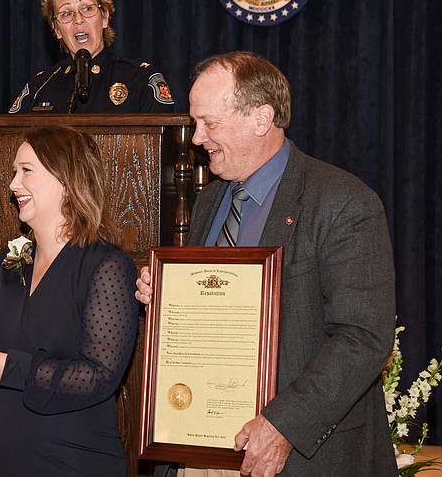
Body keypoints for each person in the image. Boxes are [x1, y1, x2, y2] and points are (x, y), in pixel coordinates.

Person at [135, 52, 396, 476]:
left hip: (295, 453)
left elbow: (363, 337)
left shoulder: (342, 202)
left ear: (261, 118)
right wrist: (165, 294)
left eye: (209, 123)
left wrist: (283, 424)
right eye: (195, 122)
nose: (196, 137)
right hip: (203, 447)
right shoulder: (210, 202)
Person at [0, 125, 139, 476]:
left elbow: (98, 377)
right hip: (3, 458)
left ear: (66, 179)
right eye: (14, 172)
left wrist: (7, 368)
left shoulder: (106, 265)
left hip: (73, 460)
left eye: (26, 171)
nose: (14, 184)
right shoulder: (9, 262)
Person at [8, 0, 187, 113]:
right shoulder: (40, 87)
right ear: (57, 30)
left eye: (87, 9)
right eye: (66, 13)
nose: (78, 20)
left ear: (104, 17)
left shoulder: (141, 80)